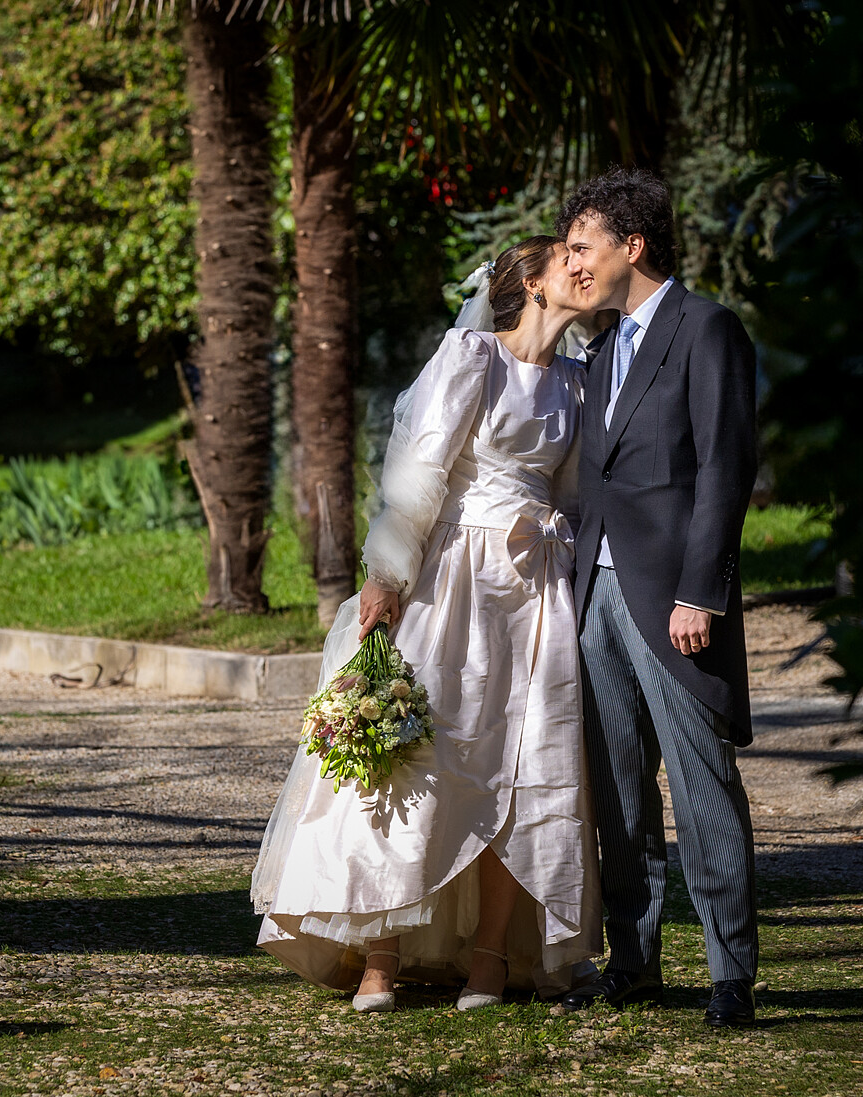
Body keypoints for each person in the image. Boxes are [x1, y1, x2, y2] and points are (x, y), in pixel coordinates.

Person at [251, 236, 604, 1012]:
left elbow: (576, 496)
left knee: (527, 767)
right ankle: (382, 954)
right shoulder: (470, 357)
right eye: (567, 260)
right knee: (424, 760)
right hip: (455, 581)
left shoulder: (578, 382)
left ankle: (489, 962)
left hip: (538, 589)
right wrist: (386, 574)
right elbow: (417, 472)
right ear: (532, 286)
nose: (584, 269)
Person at [554, 168, 763, 1029]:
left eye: (581, 247)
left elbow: (726, 465)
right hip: (594, 595)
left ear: (630, 247)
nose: (571, 264)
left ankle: (730, 976)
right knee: (618, 793)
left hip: (673, 601)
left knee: (701, 781)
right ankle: (634, 962)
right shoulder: (599, 349)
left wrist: (699, 593)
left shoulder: (707, 328)